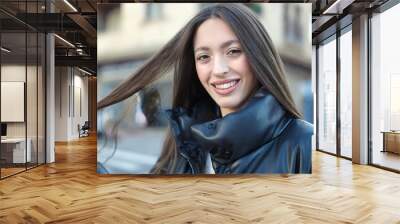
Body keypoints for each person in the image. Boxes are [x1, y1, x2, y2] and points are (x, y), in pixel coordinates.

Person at [98, 3, 313, 174]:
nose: (218, 70)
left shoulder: (304, 142)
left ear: (258, 55)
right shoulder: (186, 139)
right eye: (203, 57)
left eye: (233, 51)